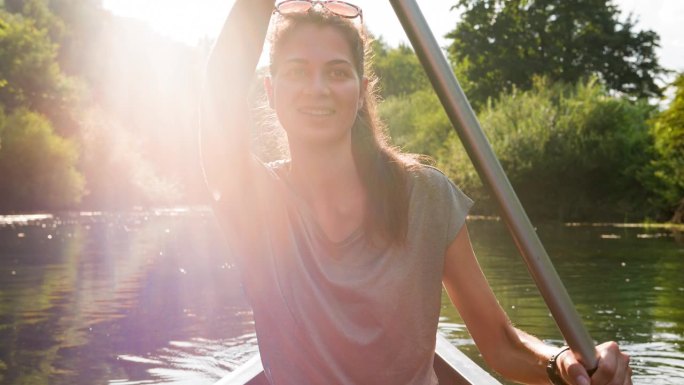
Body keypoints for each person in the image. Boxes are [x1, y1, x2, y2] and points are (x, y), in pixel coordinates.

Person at [200, 1, 633, 384]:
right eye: (298, 71)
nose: (318, 88)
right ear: (271, 93)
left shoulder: (424, 195)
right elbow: (219, 93)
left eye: (337, 72)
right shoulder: (254, 199)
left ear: (361, 91)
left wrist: (560, 364)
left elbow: (499, 342)